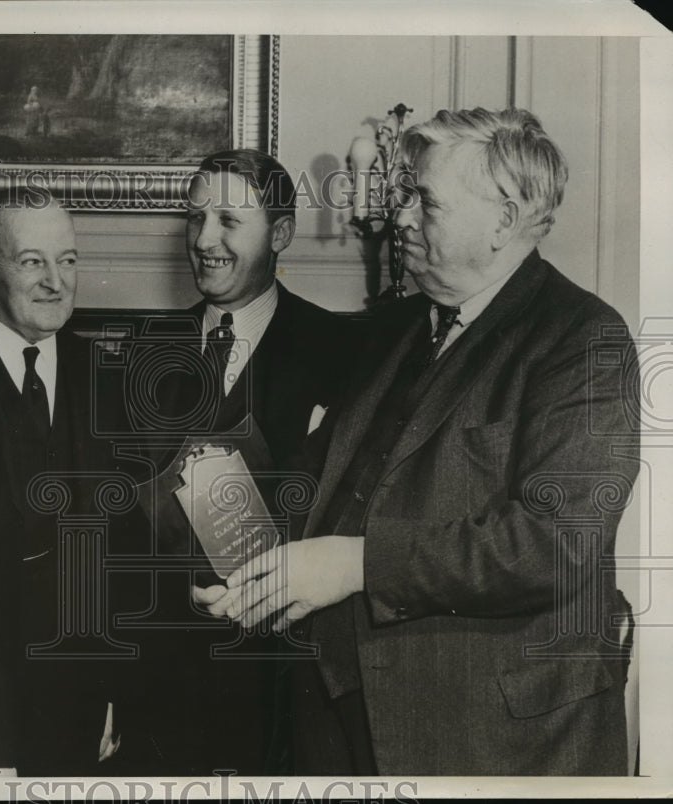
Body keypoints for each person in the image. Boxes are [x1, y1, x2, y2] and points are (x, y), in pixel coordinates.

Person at [196, 108, 640, 775]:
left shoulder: (583, 340)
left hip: (483, 739)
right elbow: (317, 481)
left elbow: (556, 544)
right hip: (337, 716)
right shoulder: (394, 328)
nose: (399, 217)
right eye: (403, 196)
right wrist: (233, 557)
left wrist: (356, 564)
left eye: (424, 201)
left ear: (503, 219)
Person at [123, 149, 356, 775]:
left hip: (282, 683)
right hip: (162, 681)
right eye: (196, 219)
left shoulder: (338, 348)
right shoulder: (148, 344)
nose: (204, 240)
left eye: (229, 220)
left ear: (280, 233)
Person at [0, 194, 128, 776]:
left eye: (69, 261)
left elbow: (124, 558)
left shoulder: (111, 383)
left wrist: (113, 694)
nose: (57, 282)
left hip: (84, 710)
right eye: (32, 262)